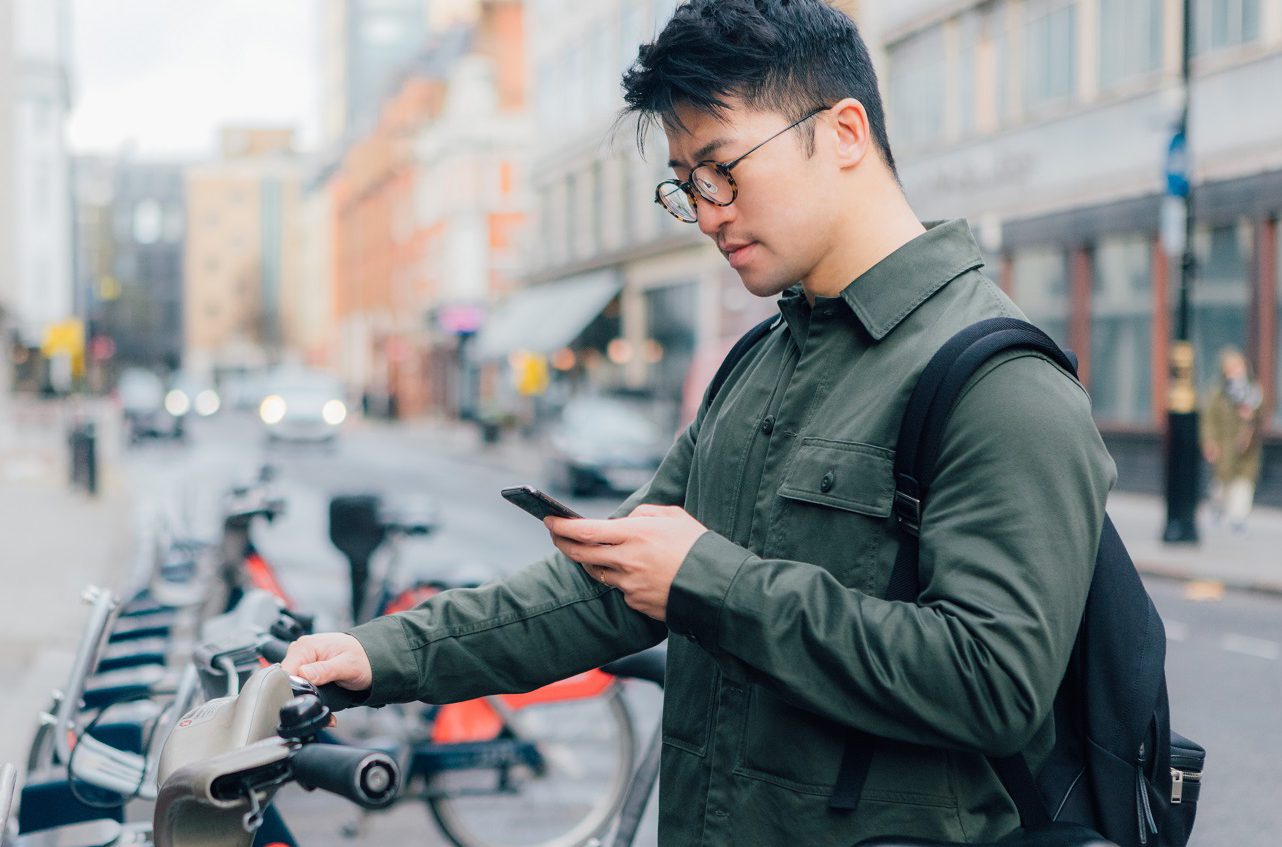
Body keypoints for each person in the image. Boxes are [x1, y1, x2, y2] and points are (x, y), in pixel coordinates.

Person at [283, 2, 1115, 844]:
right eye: (686, 184)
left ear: (845, 133)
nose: (707, 210)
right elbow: (610, 584)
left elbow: (995, 683)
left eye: (722, 169)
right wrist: (377, 654)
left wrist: (709, 582)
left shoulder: (999, 379)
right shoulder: (760, 361)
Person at [1201, 346, 1264, 533]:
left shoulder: (1253, 392)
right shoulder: (1218, 395)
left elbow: (1260, 415)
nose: (1235, 373)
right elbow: (1208, 421)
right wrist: (1209, 442)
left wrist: (1250, 416)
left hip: (1245, 448)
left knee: (1243, 484)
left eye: (1238, 367)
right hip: (1223, 446)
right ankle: (1217, 509)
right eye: (1231, 369)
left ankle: (1238, 518)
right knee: (1221, 486)